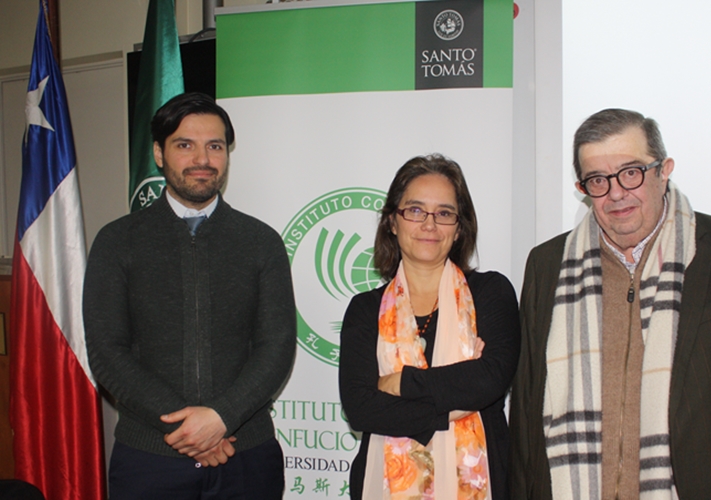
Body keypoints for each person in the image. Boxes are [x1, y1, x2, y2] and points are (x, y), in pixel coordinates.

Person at [509, 108, 711, 499]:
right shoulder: (548, 265)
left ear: (664, 171)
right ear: (583, 188)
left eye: (631, 172)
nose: (615, 193)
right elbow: (528, 404)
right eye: (598, 179)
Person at [83, 92, 296, 499]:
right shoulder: (117, 241)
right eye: (185, 145)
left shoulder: (260, 241)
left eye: (214, 146)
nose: (203, 159)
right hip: (148, 460)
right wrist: (188, 430)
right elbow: (108, 353)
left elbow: (277, 346)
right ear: (159, 154)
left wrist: (221, 418)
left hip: (246, 457)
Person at [339, 154, 520, 499]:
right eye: (416, 210)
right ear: (393, 221)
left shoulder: (491, 293)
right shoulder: (365, 310)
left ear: (460, 227)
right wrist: (456, 394)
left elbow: (491, 379)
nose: (430, 224)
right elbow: (361, 408)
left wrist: (400, 382)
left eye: (444, 213)